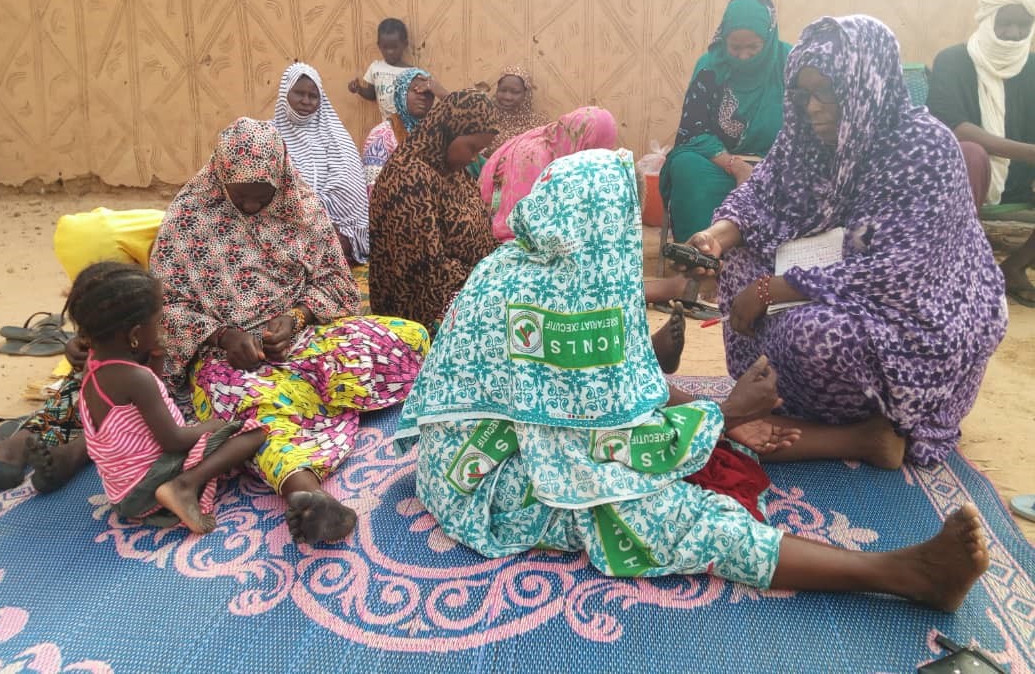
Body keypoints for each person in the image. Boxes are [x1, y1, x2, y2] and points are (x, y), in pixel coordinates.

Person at [393, 148, 988, 613]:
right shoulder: (539, 297)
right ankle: (900, 576)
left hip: (544, 422)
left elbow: (605, 391)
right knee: (663, 512)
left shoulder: (558, 264)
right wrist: (722, 415)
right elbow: (588, 440)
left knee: (688, 426)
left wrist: (703, 408)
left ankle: (859, 442)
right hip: (486, 473)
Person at [688, 15, 1006, 466]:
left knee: (815, 335)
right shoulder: (809, 137)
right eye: (802, 94)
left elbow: (899, 273)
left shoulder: (924, 149)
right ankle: (781, 402)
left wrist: (769, 290)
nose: (812, 107)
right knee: (741, 260)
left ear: (866, 86)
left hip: (916, 315)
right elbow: (760, 198)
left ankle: (867, 432)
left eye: (827, 93)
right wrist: (715, 238)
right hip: (829, 276)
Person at [150, 117, 429, 545]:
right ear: (220, 180)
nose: (250, 209)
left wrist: (296, 317)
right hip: (225, 361)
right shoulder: (189, 217)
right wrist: (222, 336)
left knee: (410, 338)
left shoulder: (301, 204)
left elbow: (338, 284)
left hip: (302, 341)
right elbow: (165, 308)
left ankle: (306, 400)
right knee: (253, 419)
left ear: (281, 178)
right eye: (238, 199)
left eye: (262, 199)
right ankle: (308, 495)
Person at [0, 207, 167, 493]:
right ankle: (18, 446)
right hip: (138, 351)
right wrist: (86, 342)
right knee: (92, 378)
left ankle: (73, 452)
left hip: (171, 367)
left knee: (129, 392)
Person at [67, 262, 265, 533]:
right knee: (252, 432)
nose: (160, 329)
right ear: (135, 335)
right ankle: (185, 486)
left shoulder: (95, 364)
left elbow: (143, 408)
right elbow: (173, 441)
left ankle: (179, 484)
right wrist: (215, 425)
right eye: (157, 322)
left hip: (121, 494)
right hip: (147, 488)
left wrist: (157, 362)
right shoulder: (136, 379)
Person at [926, 0, 1035, 306]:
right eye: (1006, 24)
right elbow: (953, 128)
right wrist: (1030, 153)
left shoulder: (1031, 69)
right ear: (988, 22)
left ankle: (1014, 268)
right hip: (961, 176)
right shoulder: (953, 60)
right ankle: (957, 272)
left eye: (1023, 25)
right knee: (971, 153)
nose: (1015, 34)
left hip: (1019, 178)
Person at [660, 0, 792, 241]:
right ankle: (700, 256)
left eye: (752, 47)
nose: (743, 56)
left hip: (775, 164)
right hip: (718, 161)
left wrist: (763, 170)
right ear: (724, 40)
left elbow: (806, 128)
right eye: (735, 47)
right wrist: (736, 167)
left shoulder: (789, 63)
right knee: (686, 166)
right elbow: (692, 131)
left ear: (769, 36)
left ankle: (762, 265)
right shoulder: (710, 66)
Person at [369, 91, 500, 331]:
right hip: (417, 313)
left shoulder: (453, 172)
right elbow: (426, 271)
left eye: (480, 151)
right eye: (471, 147)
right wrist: (489, 278)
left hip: (465, 286)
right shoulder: (409, 178)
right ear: (448, 131)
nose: (474, 158)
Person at [274, 62, 369, 263]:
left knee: (326, 244)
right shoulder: (270, 135)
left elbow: (348, 189)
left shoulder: (335, 136)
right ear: (285, 94)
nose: (306, 100)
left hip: (334, 225)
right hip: (284, 224)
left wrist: (318, 216)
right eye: (299, 93)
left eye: (313, 95)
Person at [479, 107, 618, 242]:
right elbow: (523, 220)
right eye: (595, 149)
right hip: (499, 222)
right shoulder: (534, 158)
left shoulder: (561, 139)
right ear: (585, 142)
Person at [361, 68, 442, 194]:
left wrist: (441, 92)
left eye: (428, 92)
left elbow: (470, 122)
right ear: (401, 92)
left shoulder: (435, 133)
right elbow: (373, 189)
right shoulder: (382, 135)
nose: (422, 96)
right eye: (416, 90)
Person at [348, 18, 414, 119]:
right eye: (385, 47)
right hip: (386, 128)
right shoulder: (375, 68)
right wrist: (359, 89)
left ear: (405, 44)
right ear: (379, 46)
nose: (390, 52)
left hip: (408, 127)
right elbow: (372, 95)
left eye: (394, 47)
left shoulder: (411, 73)